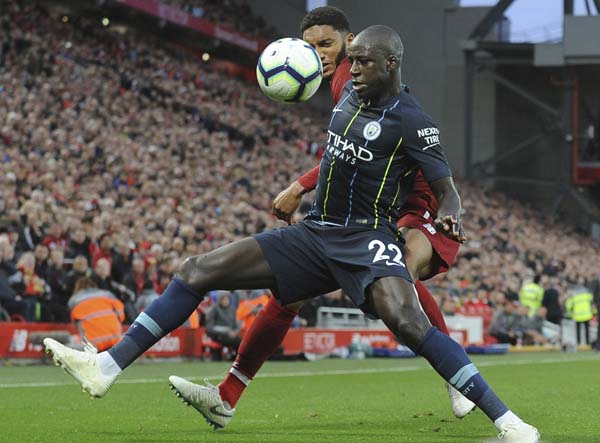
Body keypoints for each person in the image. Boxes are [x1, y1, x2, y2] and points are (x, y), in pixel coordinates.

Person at [43, 25, 539, 442]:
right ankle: (106, 368)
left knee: (410, 324)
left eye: (364, 63)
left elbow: (446, 189)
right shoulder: (347, 94)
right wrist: (301, 189)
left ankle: (509, 421)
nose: (354, 71)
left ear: (391, 64)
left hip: (365, 240)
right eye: (353, 62)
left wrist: (451, 213)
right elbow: (329, 159)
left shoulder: (413, 123)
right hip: (314, 234)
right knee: (197, 270)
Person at [271, 5, 474, 419]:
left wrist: (298, 187)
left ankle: (458, 378)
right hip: (384, 199)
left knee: (403, 272)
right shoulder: (339, 83)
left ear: (349, 44)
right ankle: (229, 391)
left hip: (416, 195)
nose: (319, 55)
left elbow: (341, 152)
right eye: (309, 47)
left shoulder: (351, 75)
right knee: (291, 293)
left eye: (326, 44)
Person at [205, 291, 241, 359]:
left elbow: (235, 326)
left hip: (231, 334)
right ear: (219, 300)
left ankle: (235, 358)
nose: (226, 301)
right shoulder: (214, 309)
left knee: (241, 342)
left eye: (227, 299)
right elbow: (209, 327)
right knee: (235, 341)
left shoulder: (232, 310)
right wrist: (226, 331)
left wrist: (235, 332)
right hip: (218, 335)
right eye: (224, 299)